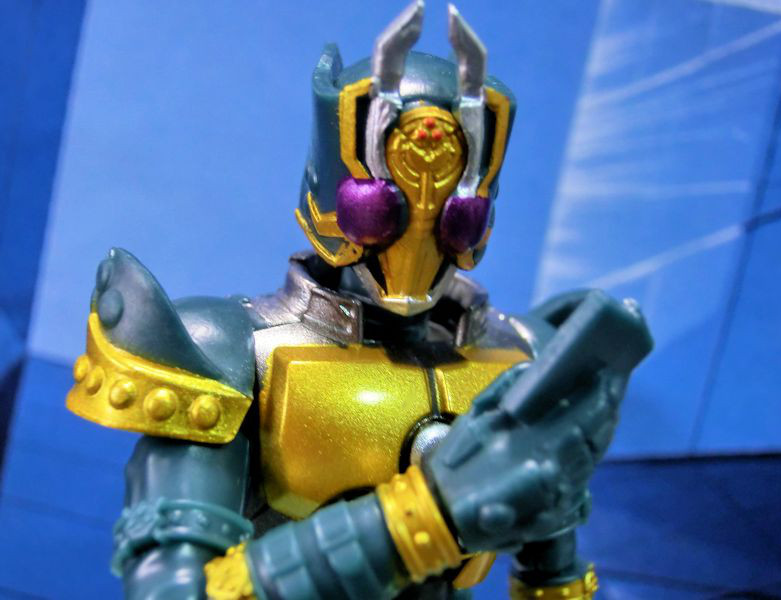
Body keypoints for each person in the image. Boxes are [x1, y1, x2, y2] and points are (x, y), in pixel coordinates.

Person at [66, 3, 652, 599]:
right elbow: (173, 591)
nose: (414, 238)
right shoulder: (230, 351)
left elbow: (554, 578)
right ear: (335, 189)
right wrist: (422, 522)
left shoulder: (521, 356)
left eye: (457, 216)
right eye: (378, 211)